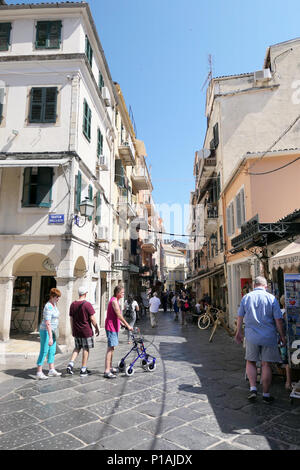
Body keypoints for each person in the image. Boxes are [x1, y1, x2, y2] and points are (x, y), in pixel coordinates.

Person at [235, 276, 286, 404]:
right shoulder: (271, 298)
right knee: (266, 364)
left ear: (254, 285)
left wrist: (238, 332)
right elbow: (278, 320)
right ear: (265, 286)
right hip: (269, 336)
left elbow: (240, 316)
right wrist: (282, 335)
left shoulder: (246, 297)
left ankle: (253, 389)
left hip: (252, 336)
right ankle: (266, 394)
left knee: (250, 361)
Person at [66, 286, 100, 377]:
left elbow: (71, 318)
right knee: (86, 349)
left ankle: (70, 364)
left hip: (76, 330)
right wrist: (96, 328)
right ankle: (83, 369)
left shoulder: (73, 304)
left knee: (77, 347)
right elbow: (92, 318)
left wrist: (73, 329)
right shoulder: (87, 304)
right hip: (86, 331)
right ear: (85, 294)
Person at [104, 285, 133, 378]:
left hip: (114, 326)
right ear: (117, 293)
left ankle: (110, 367)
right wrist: (127, 325)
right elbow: (119, 315)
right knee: (110, 348)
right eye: (122, 292)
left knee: (112, 348)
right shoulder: (114, 301)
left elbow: (116, 316)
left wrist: (121, 323)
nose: (123, 294)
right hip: (111, 327)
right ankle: (107, 370)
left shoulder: (116, 300)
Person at [36, 288, 62, 380]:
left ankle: (51, 369)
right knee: (44, 350)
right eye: (57, 297)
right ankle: (39, 371)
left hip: (53, 331)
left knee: (52, 350)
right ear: (52, 296)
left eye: (58, 297)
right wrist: (50, 337)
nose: (58, 298)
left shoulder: (54, 304)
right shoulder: (48, 306)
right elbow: (47, 322)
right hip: (46, 331)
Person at [279, 295, 292, 390]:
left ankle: (288, 381)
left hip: (282, 340)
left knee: (286, 361)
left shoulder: (279, 312)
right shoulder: (287, 313)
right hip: (289, 339)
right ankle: (288, 381)